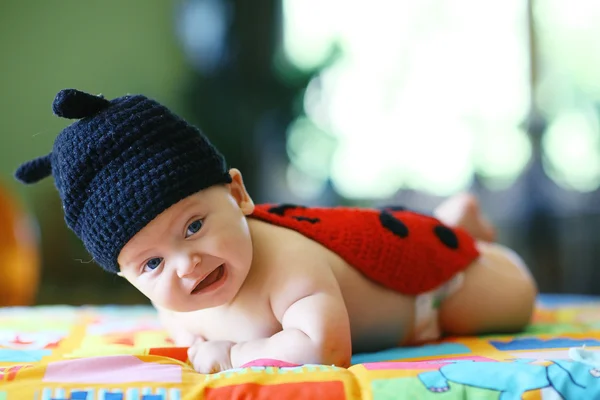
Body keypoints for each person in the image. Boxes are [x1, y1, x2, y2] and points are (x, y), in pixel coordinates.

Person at [15, 89, 538, 374]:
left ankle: (464, 234)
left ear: (239, 195)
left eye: (194, 226)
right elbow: (184, 326)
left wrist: (235, 354)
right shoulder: (172, 295)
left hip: (427, 293)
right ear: (127, 276)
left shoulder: (288, 265)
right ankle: (450, 220)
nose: (185, 264)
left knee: (515, 299)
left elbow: (324, 348)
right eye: (151, 264)